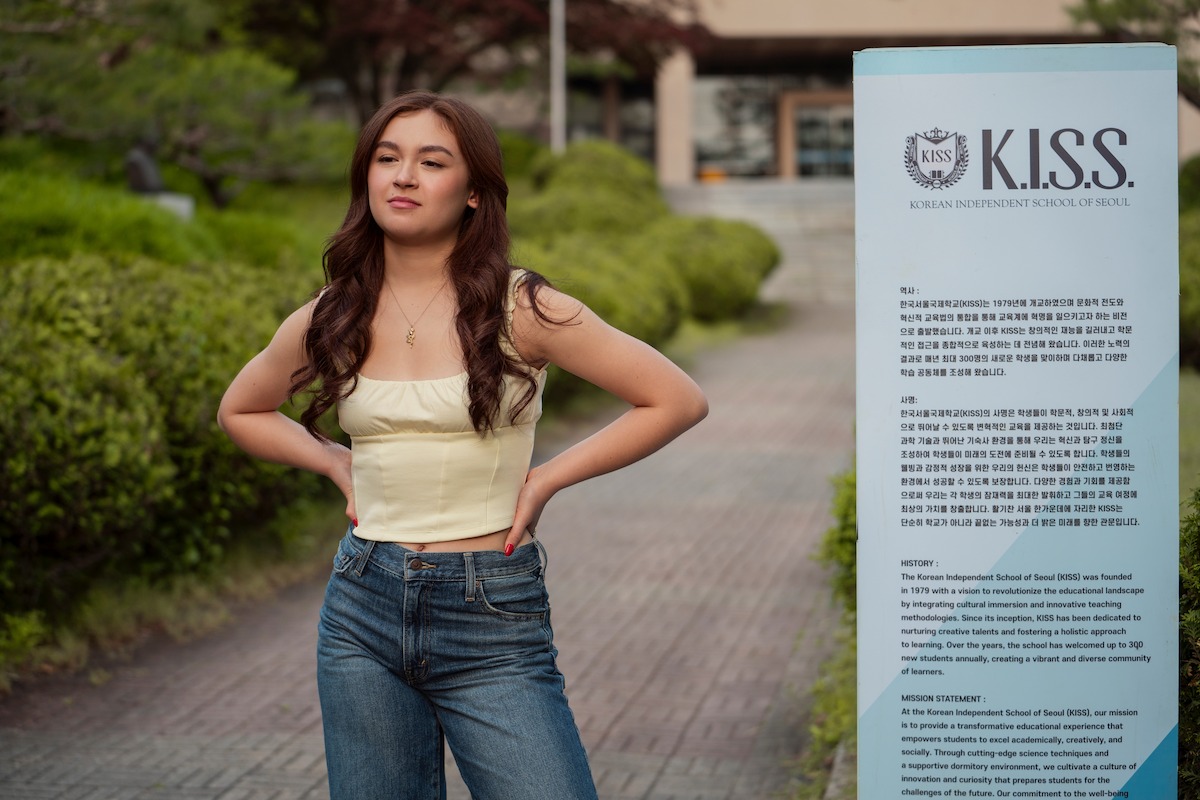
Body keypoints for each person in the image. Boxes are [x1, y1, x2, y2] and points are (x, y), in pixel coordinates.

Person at [217, 90, 708, 800]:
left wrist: (546, 479)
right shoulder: (334, 313)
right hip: (362, 606)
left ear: (474, 191)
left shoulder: (523, 307)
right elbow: (241, 409)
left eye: (432, 161)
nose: (403, 176)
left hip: (490, 612)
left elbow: (675, 398)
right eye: (387, 158)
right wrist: (330, 459)